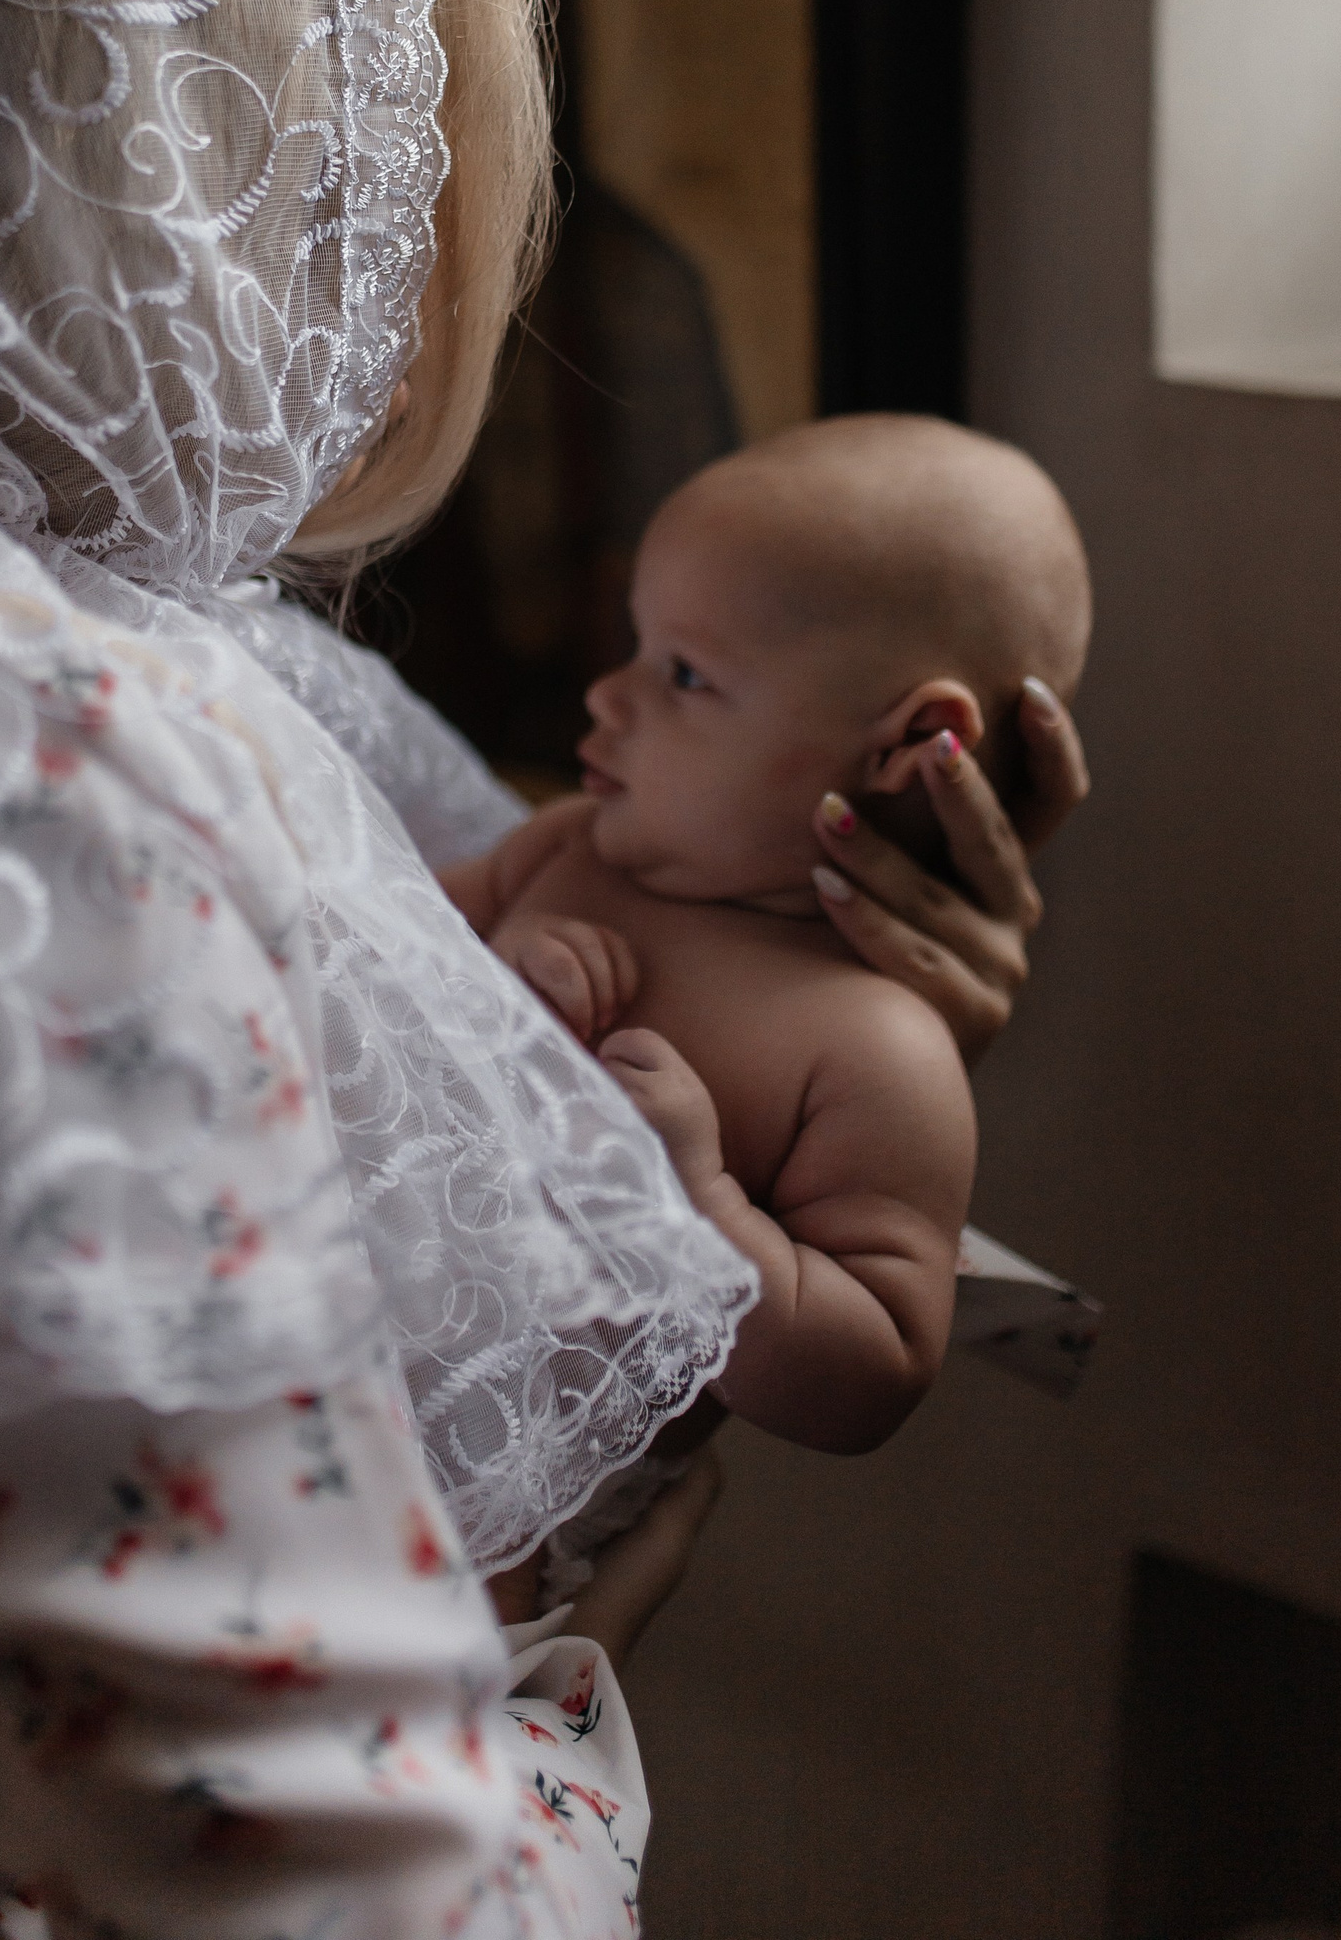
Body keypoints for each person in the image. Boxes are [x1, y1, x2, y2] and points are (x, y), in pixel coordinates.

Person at [0, 0, 1087, 1940]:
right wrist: (569, 1704)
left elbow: (501, 985)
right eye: (431, 151)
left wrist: (835, 979)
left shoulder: (44, 615)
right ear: (245, 172)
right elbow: (298, 1865)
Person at [441, 415, 1090, 1597]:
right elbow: (333, 958)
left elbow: (873, 1380)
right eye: (637, 645)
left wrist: (695, 1207)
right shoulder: (565, 846)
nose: (608, 697)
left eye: (686, 675)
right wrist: (484, 964)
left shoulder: (878, 1048)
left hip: (505, 1533)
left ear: (912, 746)